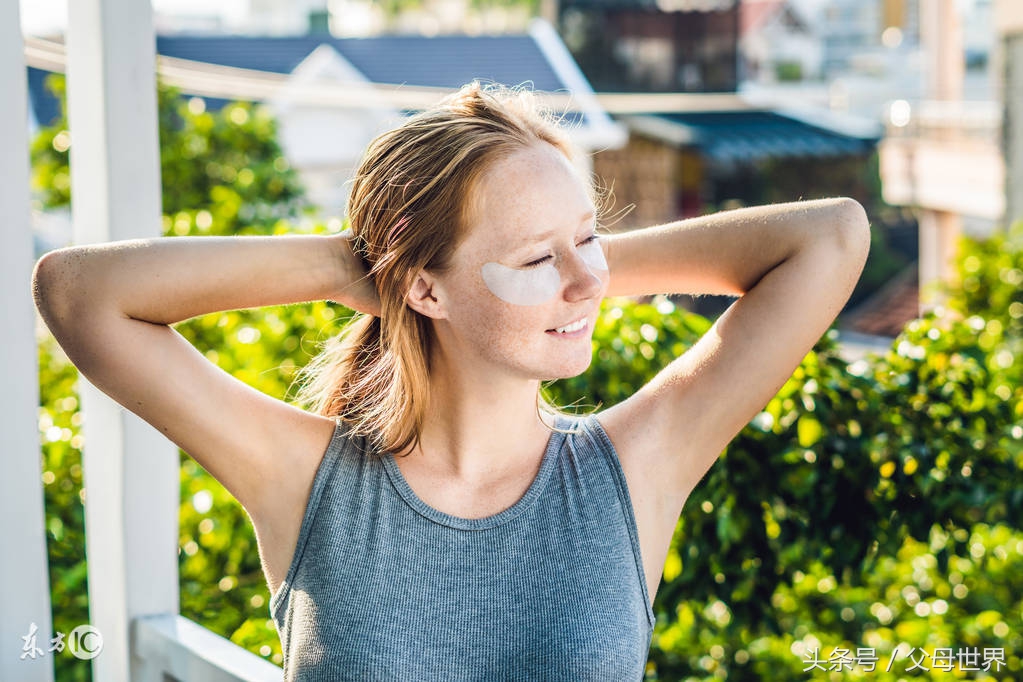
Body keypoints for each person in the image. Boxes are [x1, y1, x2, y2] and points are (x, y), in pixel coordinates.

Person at [32, 82, 870, 681]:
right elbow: (78, 294)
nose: (586, 282)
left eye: (591, 237)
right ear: (423, 289)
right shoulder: (307, 479)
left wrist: (565, 266)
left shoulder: (635, 465)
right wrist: (357, 264)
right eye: (537, 258)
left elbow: (830, 236)